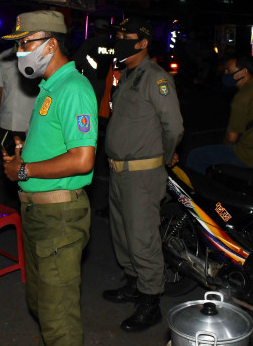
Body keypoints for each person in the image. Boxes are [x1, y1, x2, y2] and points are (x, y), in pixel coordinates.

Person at [0, 10, 97, 346]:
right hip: (39, 215)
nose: (20, 52)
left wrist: (25, 170)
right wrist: (28, 152)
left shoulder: (73, 88)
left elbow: (83, 159)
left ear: (50, 44)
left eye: (26, 43)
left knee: (59, 320)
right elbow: (60, 144)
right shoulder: (50, 87)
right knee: (41, 304)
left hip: (59, 219)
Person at [101, 17, 184, 332]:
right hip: (118, 172)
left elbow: (173, 126)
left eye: (126, 35)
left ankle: (150, 302)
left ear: (143, 42)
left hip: (142, 174)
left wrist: (164, 154)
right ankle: (133, 283)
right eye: (118, 34)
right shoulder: (126, 74)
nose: (120, 38)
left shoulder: (155, 77)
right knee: (122, 234)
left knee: (141, 239)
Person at [0, 45, 39, 150]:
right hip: (5, 125)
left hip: (31, 126)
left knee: (29, 164)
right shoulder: (4, 56)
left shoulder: (40, 56)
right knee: (7, 161)